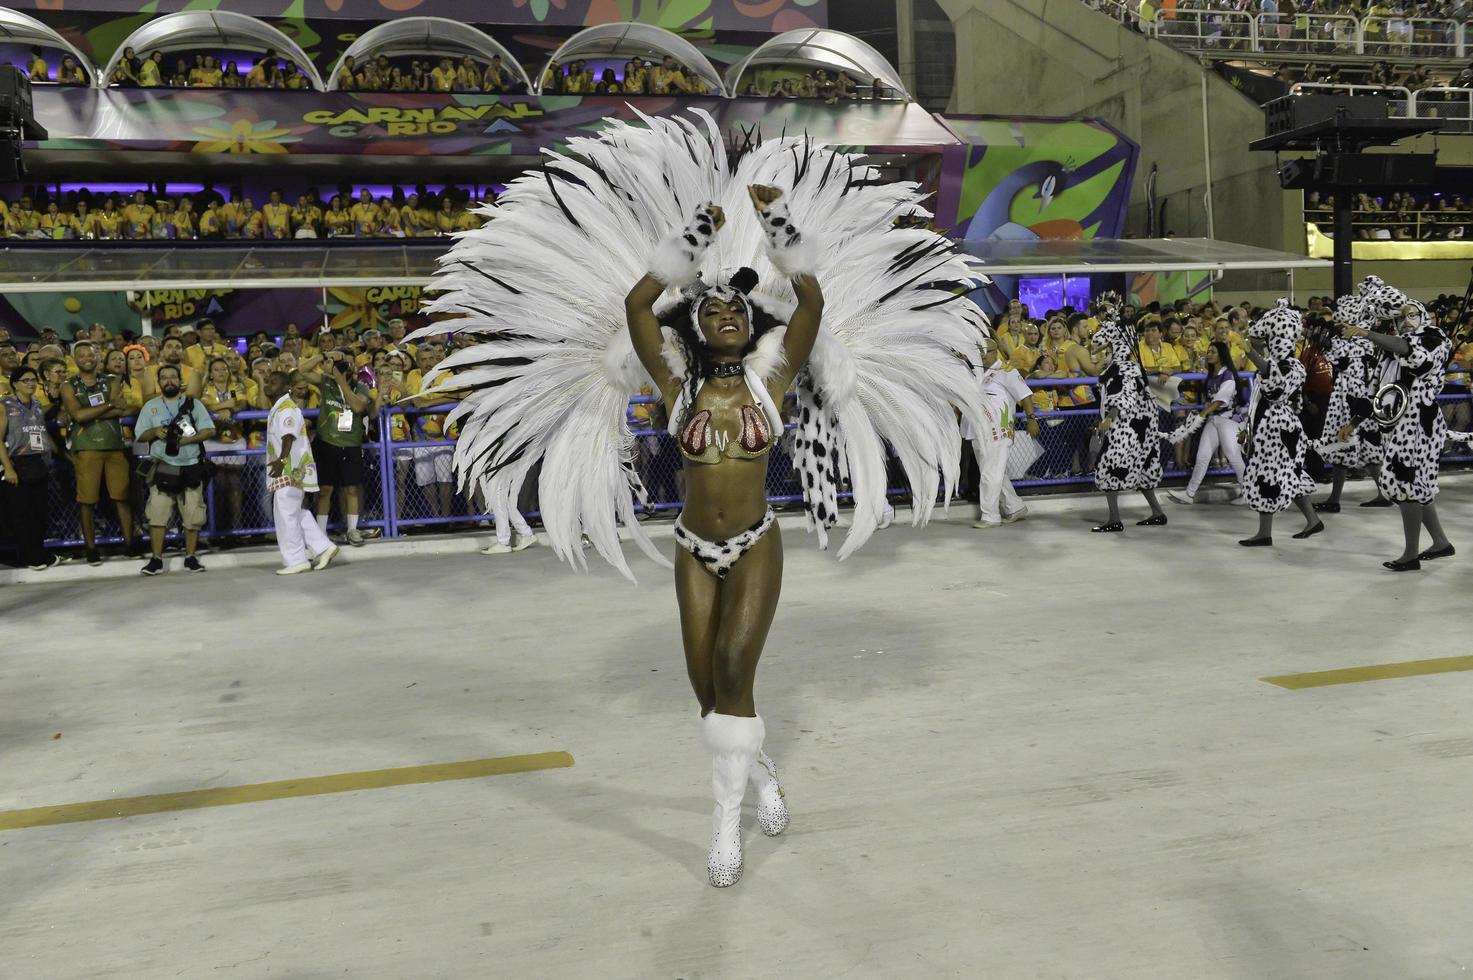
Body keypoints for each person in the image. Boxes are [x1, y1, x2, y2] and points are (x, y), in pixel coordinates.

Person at [1341, 278, 1455, 570]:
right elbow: (1375, 391)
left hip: (1419, 425)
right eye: (1400, 318)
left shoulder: (1434, 338)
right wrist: (1354, 423)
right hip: (1398, 426)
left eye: (1410, 316)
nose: (1405, 322)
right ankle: (1441, 542)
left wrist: (1368, 333)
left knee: (1406, 485)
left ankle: (1410, 555)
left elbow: (1414, 355)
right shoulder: (1389, 350)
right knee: (1417, 487)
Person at [1238, 300, 1322, 547]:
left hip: (1280, 431)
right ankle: (1313, 520)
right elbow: (1258, 400)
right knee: (1289, 474)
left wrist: (1250, 352)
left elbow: (1275, 388)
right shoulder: (1273, 365)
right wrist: (1247, 429)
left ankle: (1264, 533)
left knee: (1270, 475)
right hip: (1270, 428)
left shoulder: (1293, 367)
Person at [1089, 297, 1166, 531]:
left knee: (1109, 467)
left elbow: (1121, 398)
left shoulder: (1119, 369)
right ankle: (1157, 512)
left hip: (1124, 430)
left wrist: (1108, 420)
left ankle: (1114, 519)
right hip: (1144, 431)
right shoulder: (1135, 366)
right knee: (1144, 468)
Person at [60, 341, 138, 564]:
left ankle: (130, 543)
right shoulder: (68, 385)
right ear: (75, 359)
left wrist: (91, 412)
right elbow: (78, 416)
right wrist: (108, 407)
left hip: (115, 445)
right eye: (81, 355)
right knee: (87, 500)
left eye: (91, 354)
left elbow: (120, 408)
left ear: (97, 356)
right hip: (85, 447)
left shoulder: (112, 380)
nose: (87, 358)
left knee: (121, 496)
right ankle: (90, 548)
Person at [134, 364, 215, 574]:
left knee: (193, 516)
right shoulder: (150, 406)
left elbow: (209, 430)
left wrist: (188, 440)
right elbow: (140, 435)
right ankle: (156, 560)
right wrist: (153, 432)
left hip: (190, 466)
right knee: (157, 515)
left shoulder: (193, 404)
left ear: (180, 381)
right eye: (164, 378)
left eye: (173, 377)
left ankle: (190, 557)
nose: (169, 380)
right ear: (159, 382)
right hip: (163, 466)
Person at [264, 371, 338, 574]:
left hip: (289, 470)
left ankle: (296, 560)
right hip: (293, 469)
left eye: (273, 381)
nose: (268, 383)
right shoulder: (281, 407)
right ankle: (323, 547)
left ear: (286, 386)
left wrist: (281, 460)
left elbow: (288, 437)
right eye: (268, 380)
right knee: (296, 512)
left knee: (285, 514)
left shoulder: (286, 409)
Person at [299, 350, 373, 545]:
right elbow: (301, 371)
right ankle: (321, 534)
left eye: (348, 364)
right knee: (325, 490)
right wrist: (323, 355)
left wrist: (341, 381)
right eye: (342, 364)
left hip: (351, 444)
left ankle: (352, 530)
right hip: (327, 443)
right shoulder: (326, 381)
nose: (344, 368)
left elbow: (358, 408)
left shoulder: (361, 386)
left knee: (351, 489)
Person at [1, 366, 67, 570]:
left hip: (38, 462)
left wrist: (64, 455)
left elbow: (42, 433)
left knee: (39, 511)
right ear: (15, 384)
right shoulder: (5, 405)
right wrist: (8, 469)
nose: (30, 383)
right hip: (16, 463)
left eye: (33, 380)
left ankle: (38, 554)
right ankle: (32, 558)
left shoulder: (37, 404)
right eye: (26, 380)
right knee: (22, 514)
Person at [969, 338, 1039, 529]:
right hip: (977, 430)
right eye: (979, 351)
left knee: (990, 473)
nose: (982, 355)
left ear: (995, 351)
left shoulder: (1006, 371)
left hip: (998, 430)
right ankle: (1014, 507)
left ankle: (990, 516)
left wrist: (1031, 418)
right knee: (994, 472)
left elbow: (1025, 394)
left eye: (986, 351)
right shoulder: (976, 374)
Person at [1168, 341, 1247, 504]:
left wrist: (1202, 414)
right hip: (1214, 419)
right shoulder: (1212, 375)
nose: (1209, 354)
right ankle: (1189, 494)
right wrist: (1204, 411)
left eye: (1213, 352)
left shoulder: (1228, 374)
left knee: (1233, 455)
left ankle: (1249, 493)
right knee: (1202, 456)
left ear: (1221, 355)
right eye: (1208, 351)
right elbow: (1210, 400)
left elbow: (1220, 400)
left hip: (1230, 420)